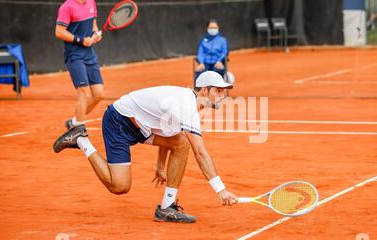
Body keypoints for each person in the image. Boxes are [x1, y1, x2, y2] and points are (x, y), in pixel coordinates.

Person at [53, 71, 239, 223]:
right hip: (119, 121)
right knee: (119, 186)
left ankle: (167, 208)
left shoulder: (186, 101)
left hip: (141, 126)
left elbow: (170, 133)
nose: (223, 96)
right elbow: (200, 152)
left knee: (181, 143)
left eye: (224, 91)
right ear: (205, 91)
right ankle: (81, 140)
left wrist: (160, 166)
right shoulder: (186, 106)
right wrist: (220, 189)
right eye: (219, 91)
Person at [55, 0, 104, 131]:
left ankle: (75, 121)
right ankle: (79, 131)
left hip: (90, 55)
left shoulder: (91, 2)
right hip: (74, 56)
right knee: (84, 93)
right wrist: (81, 40)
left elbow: (93, 25)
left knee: (98, 94)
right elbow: (59, 32)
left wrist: (95, 35)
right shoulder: (67, 7)